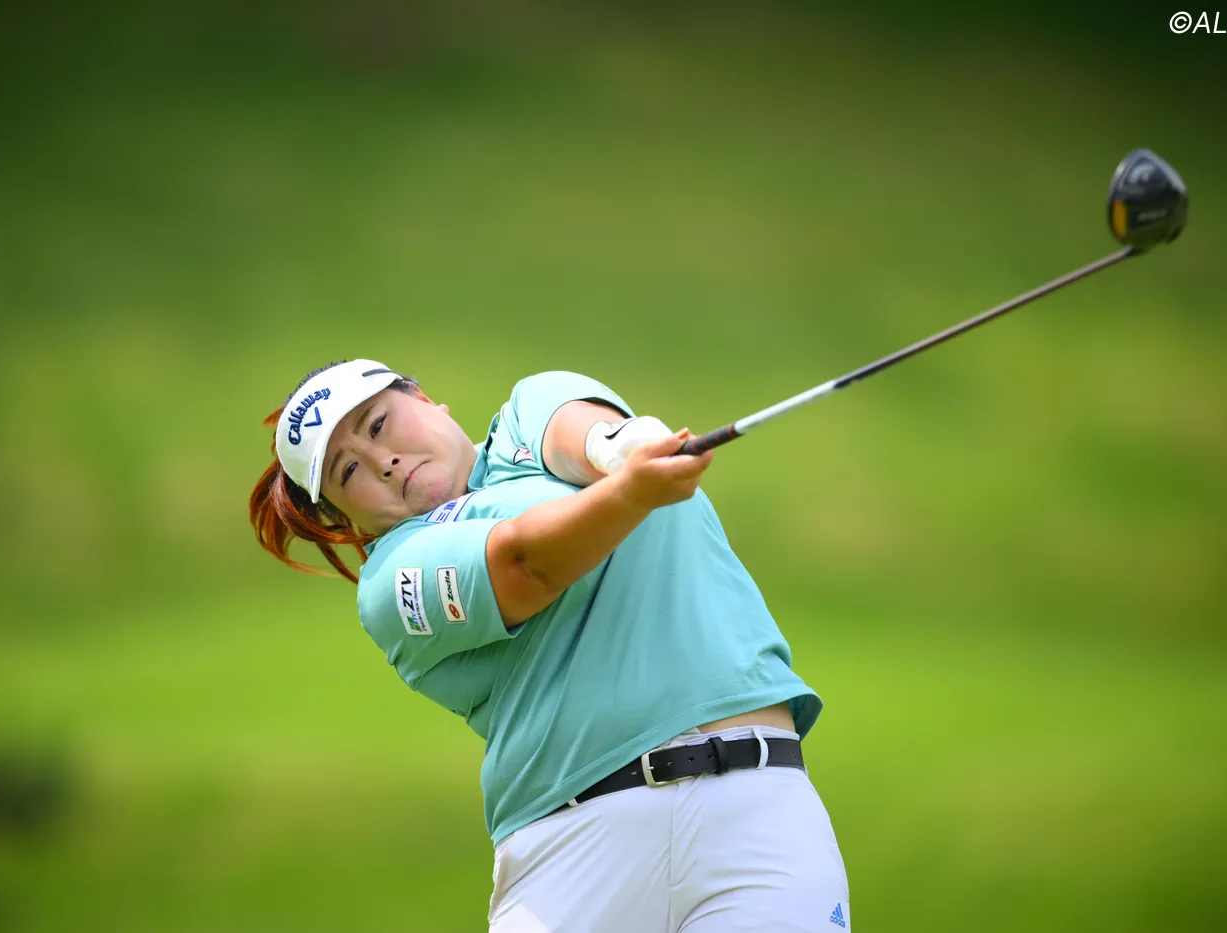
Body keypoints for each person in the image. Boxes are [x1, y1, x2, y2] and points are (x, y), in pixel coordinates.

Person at [248, 358, 851, 932]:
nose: (382, 461)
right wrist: (631, 494)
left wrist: (630, 449)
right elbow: (525, 565)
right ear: (345, 520)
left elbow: (589, 438)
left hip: (757, 813)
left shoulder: (528, 413)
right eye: (347, 472)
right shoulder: (393, 580)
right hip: (575, 851)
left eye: (378, 424)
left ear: (426, 400)